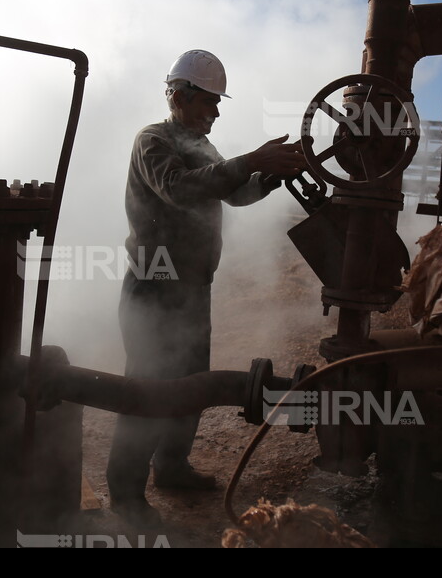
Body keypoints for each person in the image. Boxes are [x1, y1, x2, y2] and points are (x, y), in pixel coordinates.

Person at [107, 49, 307, 527]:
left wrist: (271, 177)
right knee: (149, 386)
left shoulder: (203, 147)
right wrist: (251, 159)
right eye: (208, 103)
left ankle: (171, 466)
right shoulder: (152, 141)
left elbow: (234, 192)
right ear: (179, 95)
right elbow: (178, 188)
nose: (215, 113)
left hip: (193, 287)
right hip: (155, 287)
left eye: (217, 104)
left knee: (191, 383)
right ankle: (125, 490)